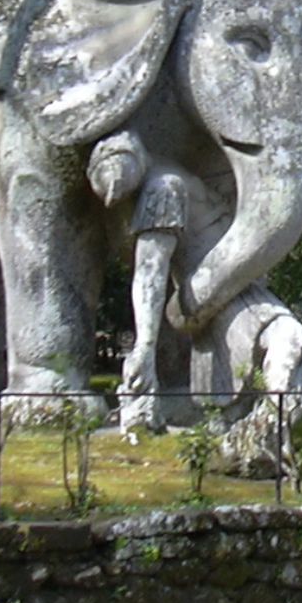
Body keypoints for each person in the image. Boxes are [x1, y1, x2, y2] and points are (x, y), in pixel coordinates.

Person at [86, 130, 184, 437]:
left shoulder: (164, 187)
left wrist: (145, 345)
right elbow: (148, 270)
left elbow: (150, 269)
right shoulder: (160, 184)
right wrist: (145, 346)